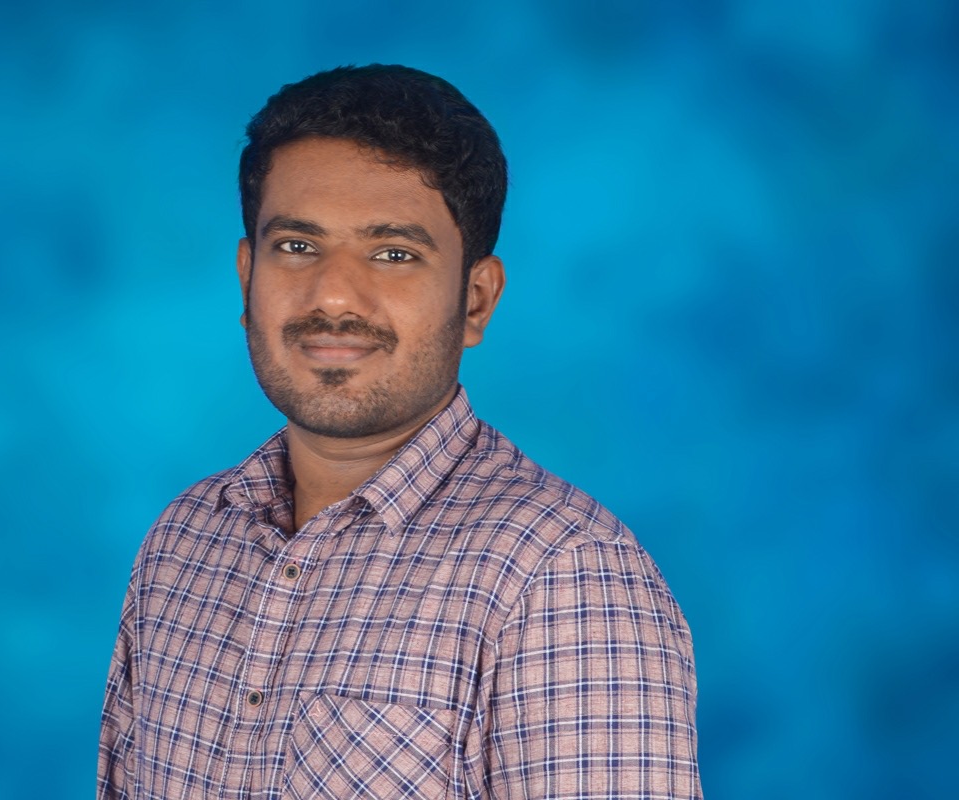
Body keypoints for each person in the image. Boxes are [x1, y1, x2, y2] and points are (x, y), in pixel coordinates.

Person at [98, 64, 701, 799]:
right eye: (297, 245)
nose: (333, 295)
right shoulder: (185, 542)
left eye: (394, 254)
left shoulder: (561, 578)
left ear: (475, 301)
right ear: (247, 275)